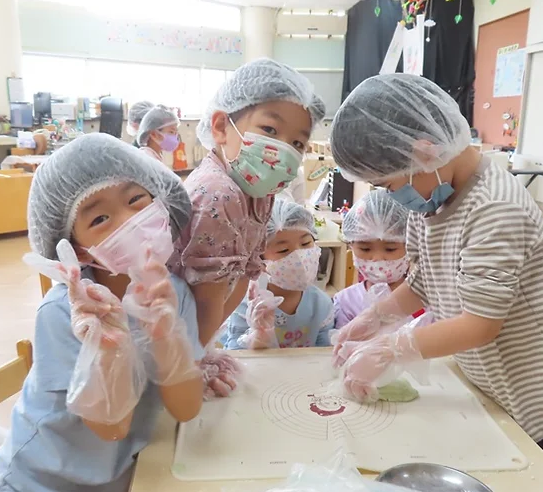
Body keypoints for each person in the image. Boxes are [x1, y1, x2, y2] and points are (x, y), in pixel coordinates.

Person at [329, 74, 543, 472]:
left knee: (527, 488)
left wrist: (390, 348)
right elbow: (424, 281)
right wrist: (374, 317)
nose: (392, 195)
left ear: (425, 152)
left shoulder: (495, 207)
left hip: (528, 400)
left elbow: (480, 324)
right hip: (480, 380)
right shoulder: (430, 201)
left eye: (388, 184)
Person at [0, 133, 213, 492]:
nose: (130, 222)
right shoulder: (68, 312)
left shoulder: (173, 293)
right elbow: (111, 427)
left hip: (117, 485)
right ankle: (4, 446)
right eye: (100, 219)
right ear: (80, 250)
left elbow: (185, 408)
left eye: (136, 199)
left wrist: (168, 337)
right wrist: (110, 348)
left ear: (160, 200)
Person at [168, 58, 326, 348]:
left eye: (297, 143)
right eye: (270, 130)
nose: (284, 149)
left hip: (197, 329)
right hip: (175, 332)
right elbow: (206, 300)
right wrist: (193, 358)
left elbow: (243, 275)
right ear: (221, 127)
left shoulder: (259, 193)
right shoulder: (218, 194)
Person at [222, 198, 333, 350]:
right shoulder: (247, 303)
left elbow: (325, 352)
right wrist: (257, 339)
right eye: (283, 250)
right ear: (258, 258)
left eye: (306, 243)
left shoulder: (320, 303)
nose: (299, 256)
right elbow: (235, 352)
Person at [334, 189, 418, 329]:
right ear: (351, 246)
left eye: (390, 249)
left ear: (410, 247)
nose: (377, 259)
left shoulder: (422, 297)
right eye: (365, 249)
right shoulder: (346, 302)